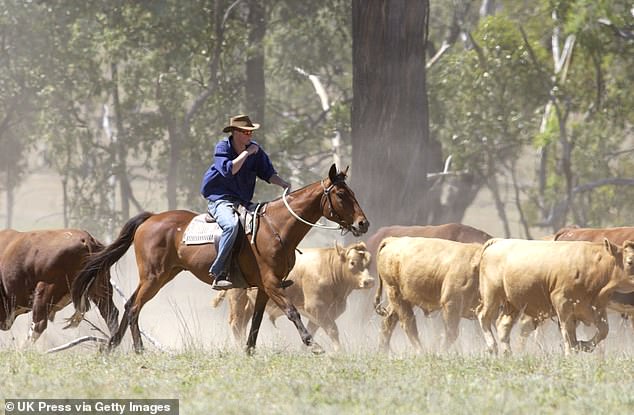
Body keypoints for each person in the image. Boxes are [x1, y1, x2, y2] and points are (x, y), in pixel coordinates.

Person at [200, 114, 290, 290]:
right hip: (220, 198)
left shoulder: (256, 151)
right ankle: (219, 273)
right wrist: (247, 153)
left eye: (251, 132)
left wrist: (283, 183)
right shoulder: (223, 147)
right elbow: (230, 170)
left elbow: (268, 173)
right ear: (234, 132)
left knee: (265, 223)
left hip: (242, 200)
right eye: (245, 132)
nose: (250, 135)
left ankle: (267, 272)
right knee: (232, 225)